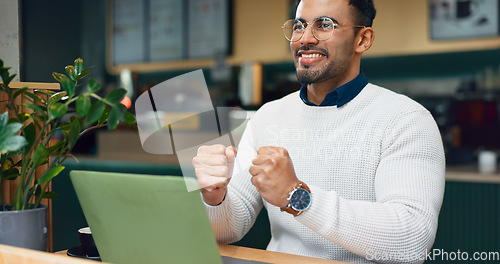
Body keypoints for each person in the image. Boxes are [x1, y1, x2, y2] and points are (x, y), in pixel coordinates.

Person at [192, 0, 445, 263]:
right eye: (299, 25)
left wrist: (297, 196)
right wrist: (215, 197)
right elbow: (229, 229)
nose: (306, 38)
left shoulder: (406, 119)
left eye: (325, 25)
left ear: (363, 39)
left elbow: (412, 240)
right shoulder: (268, 116)